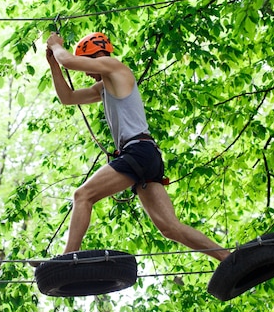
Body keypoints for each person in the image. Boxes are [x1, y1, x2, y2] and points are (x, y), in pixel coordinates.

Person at [45, 31, 230, 261]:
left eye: (87, 67)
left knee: (82, 195)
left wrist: (55, 46)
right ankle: (227, 257)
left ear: (94, 55)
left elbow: (69, 61)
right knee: (170, 228)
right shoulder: (105, 86)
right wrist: (53, 64)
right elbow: (68, 98)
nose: (87, 74)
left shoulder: (113, 66)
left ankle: (67, 259)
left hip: (138, 151)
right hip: (145, 155)